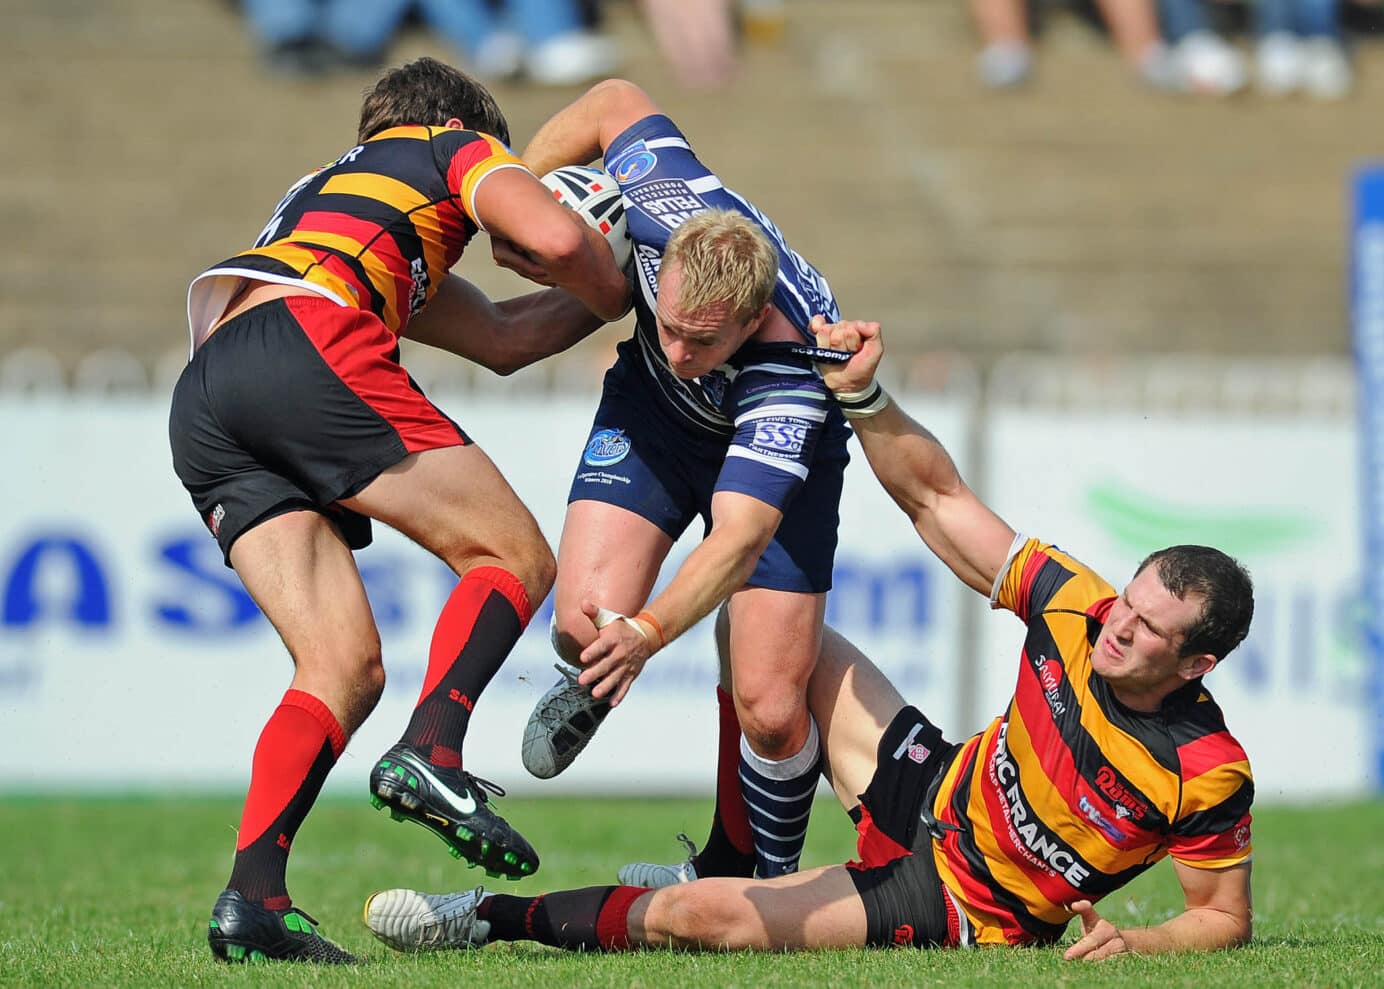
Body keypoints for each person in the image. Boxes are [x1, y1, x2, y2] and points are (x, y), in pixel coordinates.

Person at [364, 316, 1257, 959]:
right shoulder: (1080, 608)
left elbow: (1222, 917)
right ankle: (735, 851)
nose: (1119, 628)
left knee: (704, 922)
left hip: (958, 897)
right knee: (767, 627)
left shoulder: (1206, 769)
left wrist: (1134, 945)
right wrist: (864, 394)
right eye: (1128, 603)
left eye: (1146, 631)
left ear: (1197, 663)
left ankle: (482, 916)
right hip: (935, 786)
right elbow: (940, 500)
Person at [169, 56, 629, 964]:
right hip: (306, 339)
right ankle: (433, 747)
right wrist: (622, 270)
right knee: (514, 557)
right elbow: (563, 242)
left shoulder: (341, 202)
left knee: (340, 665)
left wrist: (619, 304)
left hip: (209, 389)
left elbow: (504, 338)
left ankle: (252, 898)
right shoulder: (450, 143)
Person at [510, 78, 852, 884]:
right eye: (665, 325)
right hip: (657, 421)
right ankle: (607, 677)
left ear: (749, 318)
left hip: (760, 457)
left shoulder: (796, 359)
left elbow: (738, 537)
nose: (676, 350)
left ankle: (761, 881)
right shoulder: (666, 197)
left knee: (769, 708)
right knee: (583, 629)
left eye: (700, 341)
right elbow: (613, 98)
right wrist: (520, 197)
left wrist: (653, 635)